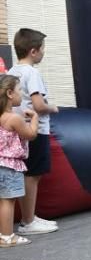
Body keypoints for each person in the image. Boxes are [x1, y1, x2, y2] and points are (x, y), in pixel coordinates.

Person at [8, 29, 58, 235]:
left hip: (16, 129)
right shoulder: (33, 73)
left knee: (24, 173)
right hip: (35, 129)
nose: (44, 53)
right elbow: (38, 104)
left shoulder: (11, 72)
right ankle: (28, 221)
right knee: (33, 175)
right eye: (43, 49)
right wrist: (52, 108)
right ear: (34, 51)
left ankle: (29, 217)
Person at [0, 75, 39, 248]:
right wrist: (35, 119)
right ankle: (7, 236)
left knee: (2, 200)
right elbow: (30, 134)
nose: (21, 94)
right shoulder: (13, 118)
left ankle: (4, 234)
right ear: (9, 93)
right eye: (19, 90)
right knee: (8, 201)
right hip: (10, 166)